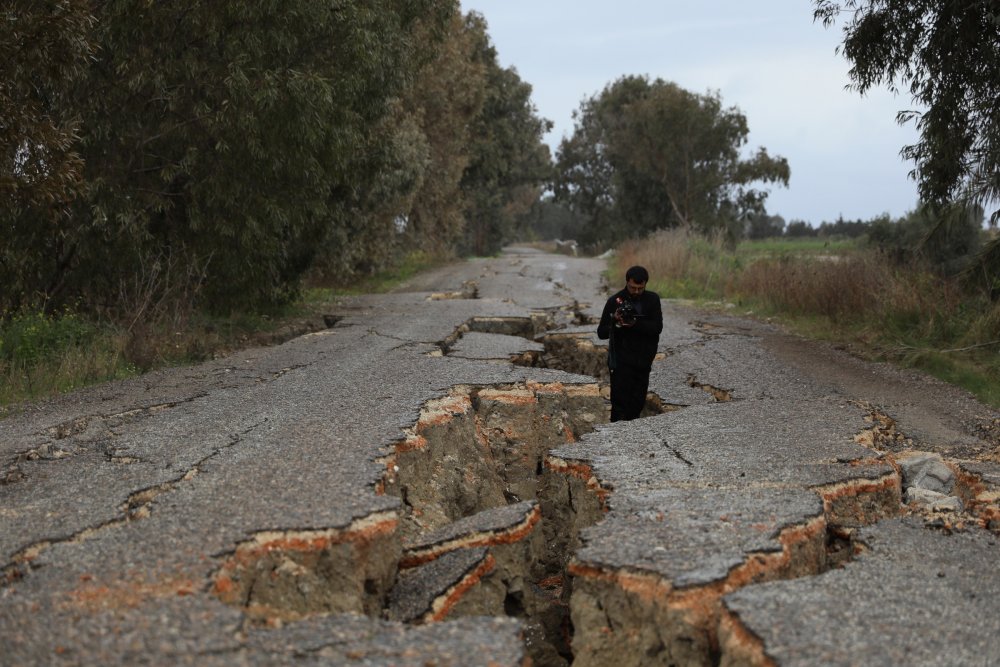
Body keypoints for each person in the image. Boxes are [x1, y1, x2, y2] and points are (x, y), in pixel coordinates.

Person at [597, 265, 663, 421]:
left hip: (643, 362)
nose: (636, 291)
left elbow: (657, 328)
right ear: (627, 282)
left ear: (645, 284)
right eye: (633, 287)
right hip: (621, 362)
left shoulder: (652, 300)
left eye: (640, 288)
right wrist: (615, 322)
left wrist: (635, 324)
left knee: (637, 405)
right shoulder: (615, 301)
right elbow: (601, 333)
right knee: (619, 406)